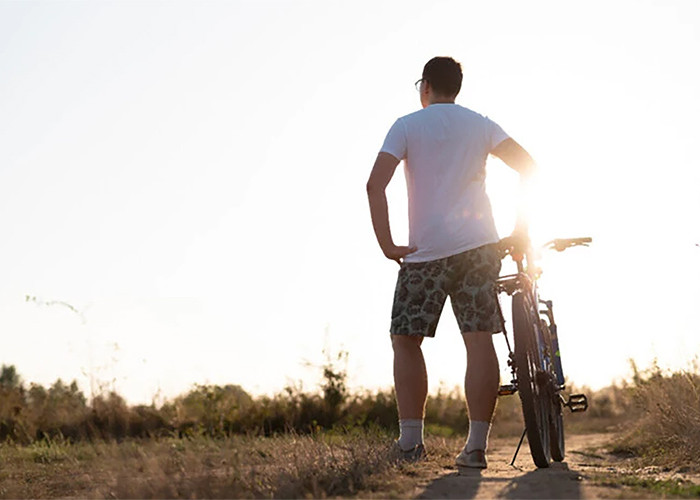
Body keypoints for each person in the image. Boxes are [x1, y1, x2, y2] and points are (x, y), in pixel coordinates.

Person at [366, 56, 535, 468]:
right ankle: (475, 447)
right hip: (479, 246)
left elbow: (375, 184)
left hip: (424, 253)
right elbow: (529, 167)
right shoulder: (480, 124)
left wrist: (388, 244)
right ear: (456, 87)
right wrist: (520, 228)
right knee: (479, 339)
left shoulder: (406, 125)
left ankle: (410, 443)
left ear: (425, 86)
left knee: (405, 340)